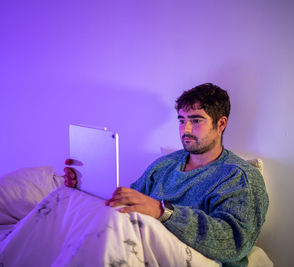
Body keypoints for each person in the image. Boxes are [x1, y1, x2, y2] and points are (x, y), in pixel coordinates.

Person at [63, 83, 269, 267]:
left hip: (199, 258)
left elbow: (234, 243)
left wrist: (163, 211)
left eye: (196, 120)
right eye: (181, 120)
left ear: (221, 124)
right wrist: (83, 188)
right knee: (63, 198)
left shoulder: (239, 176)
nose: (185, 129)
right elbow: (125, 206)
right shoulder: (165, 165)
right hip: (147, 247)